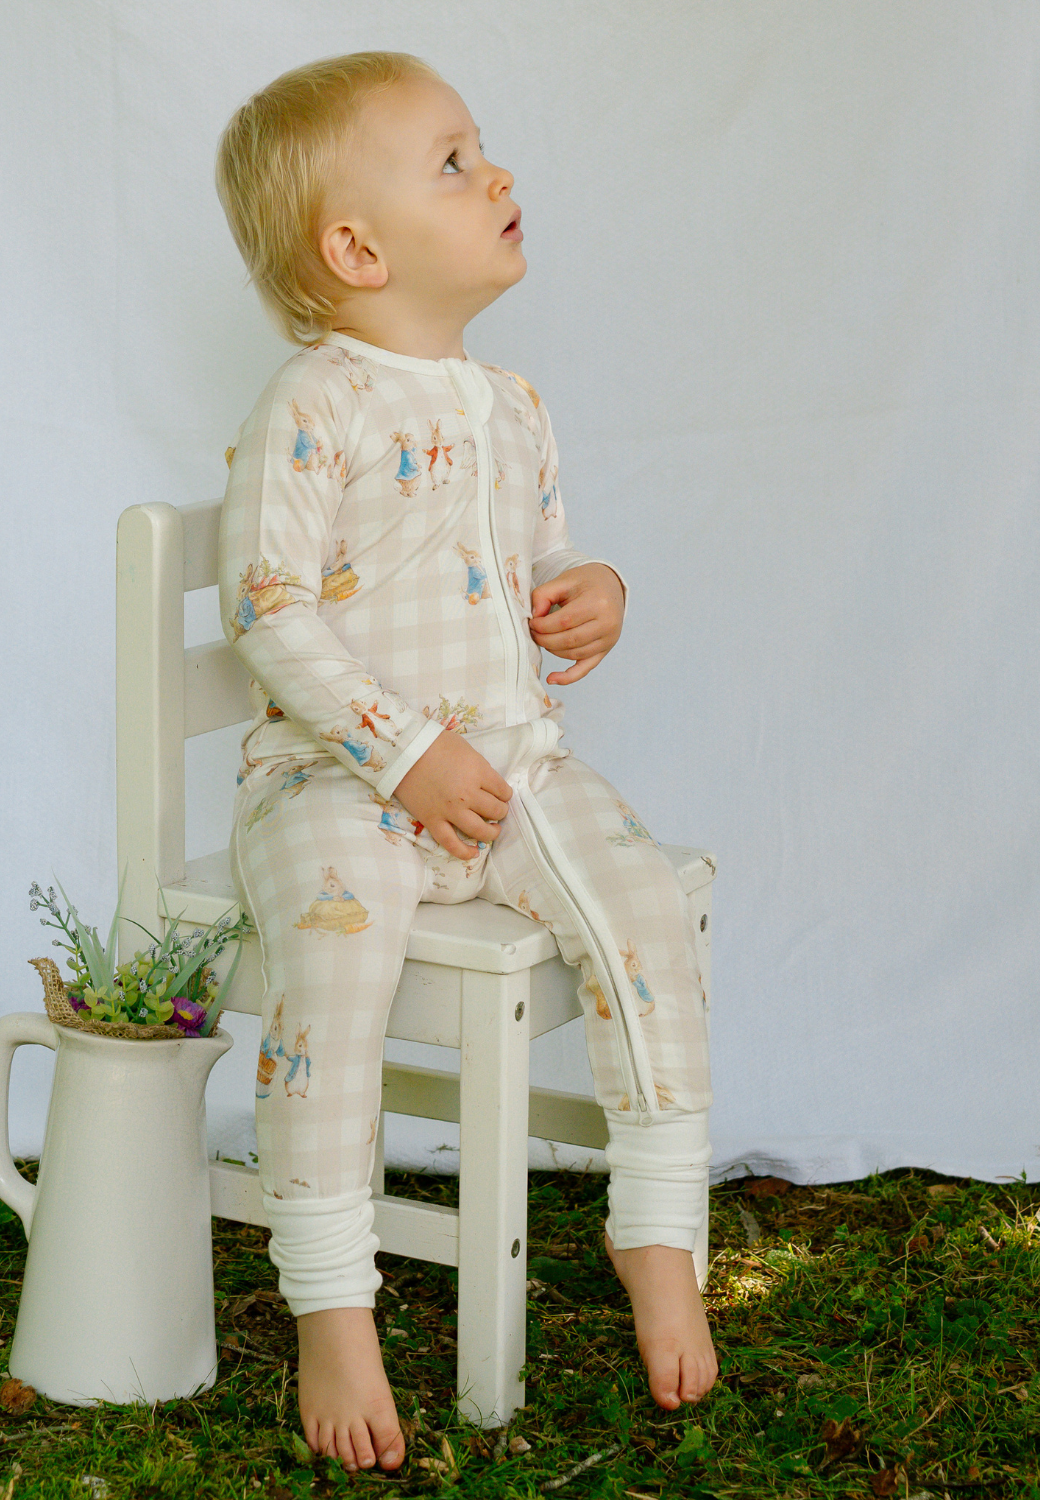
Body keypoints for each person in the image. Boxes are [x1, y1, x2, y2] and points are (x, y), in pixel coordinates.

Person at [214, 51, 716, 1475]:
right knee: (336, 959)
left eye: (479, 150)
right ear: (356, 250)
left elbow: (539, 563)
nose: (496, 174)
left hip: (510, 767)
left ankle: (656, 1229)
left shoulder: (513, 403)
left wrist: (593, 589)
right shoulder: (313, 403)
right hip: (335, 780)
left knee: (645, 910)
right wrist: (401, 752)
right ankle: (332, 1299)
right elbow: (268, 609)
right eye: (452, 162)